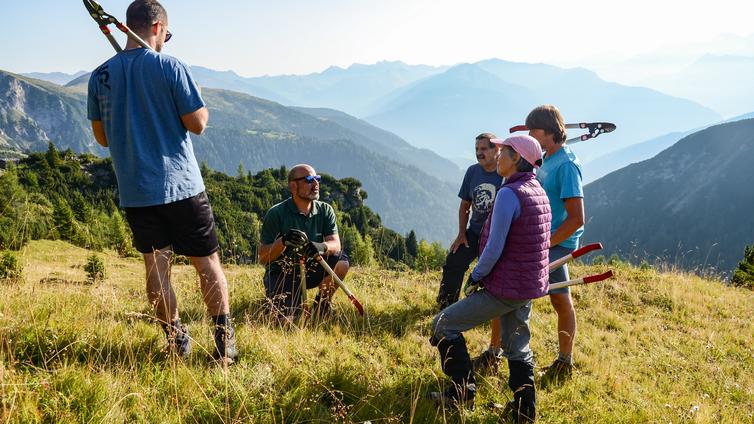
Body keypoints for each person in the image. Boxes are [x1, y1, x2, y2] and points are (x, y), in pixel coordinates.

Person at [87, 0, 237, 363]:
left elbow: (103, 138)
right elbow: (198, 124)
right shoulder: (171, 67)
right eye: (167, 34)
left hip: (137, 191)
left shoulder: (99, 76)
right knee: (207, 263)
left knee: (156, 268)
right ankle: (223, 342)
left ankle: (176, 341)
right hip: (181, 185)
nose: (166, 40)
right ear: (156, 27)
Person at [429, 135, 551, 422]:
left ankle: (461, 394)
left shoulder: (509, 194)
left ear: (516, 159)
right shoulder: (537, 190)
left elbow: (495, 246)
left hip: (506, 286)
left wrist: (475, 275)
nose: (498, 157)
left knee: (442, 325)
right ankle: (525, 411)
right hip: (527, 286)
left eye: (503, 152)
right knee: (517, 346)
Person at [474, 105, 585, 386]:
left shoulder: (568, 165)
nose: (530, 135)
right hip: (533, 237)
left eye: (533, 131)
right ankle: (494, 352)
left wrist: (545, 243)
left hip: (555, 242)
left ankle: (564, 360)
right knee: (501, 287)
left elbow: (576, 218)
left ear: (548, 132)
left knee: (560, 300)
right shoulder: (546, 157)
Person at [258, 164, 350, 323]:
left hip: (311, 268)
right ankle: (283, 303)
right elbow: (263, 257)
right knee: (286, 323)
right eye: (309, 180)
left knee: (341, 262)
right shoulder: (276, 213)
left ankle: (322, 307)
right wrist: (283, 241)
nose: (316, 184)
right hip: (283, 272)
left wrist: (321, 246)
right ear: (293, 185)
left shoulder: (325, 210)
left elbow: (336, 244)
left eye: (317, 179)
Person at [436, 133, 502, 311]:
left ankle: (485, 311)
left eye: (483, 149)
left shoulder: (505, 173)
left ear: (497, 150)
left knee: (492, 274)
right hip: (474, 232)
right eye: (476, 149)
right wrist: (461, 233)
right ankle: (445, 307)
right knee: (454, 261)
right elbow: (465, 205)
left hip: (497, 236)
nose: (479, 153)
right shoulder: (473, 171)